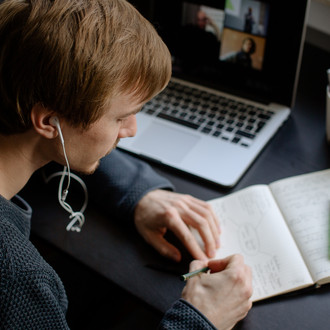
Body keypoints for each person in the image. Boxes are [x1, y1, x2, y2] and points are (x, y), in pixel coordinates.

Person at [0, 0, 253, 329]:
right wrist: (201, 319)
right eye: (120, 117)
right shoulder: (20, 281)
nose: (131, 130)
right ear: (48, 121)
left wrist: (136, 193)